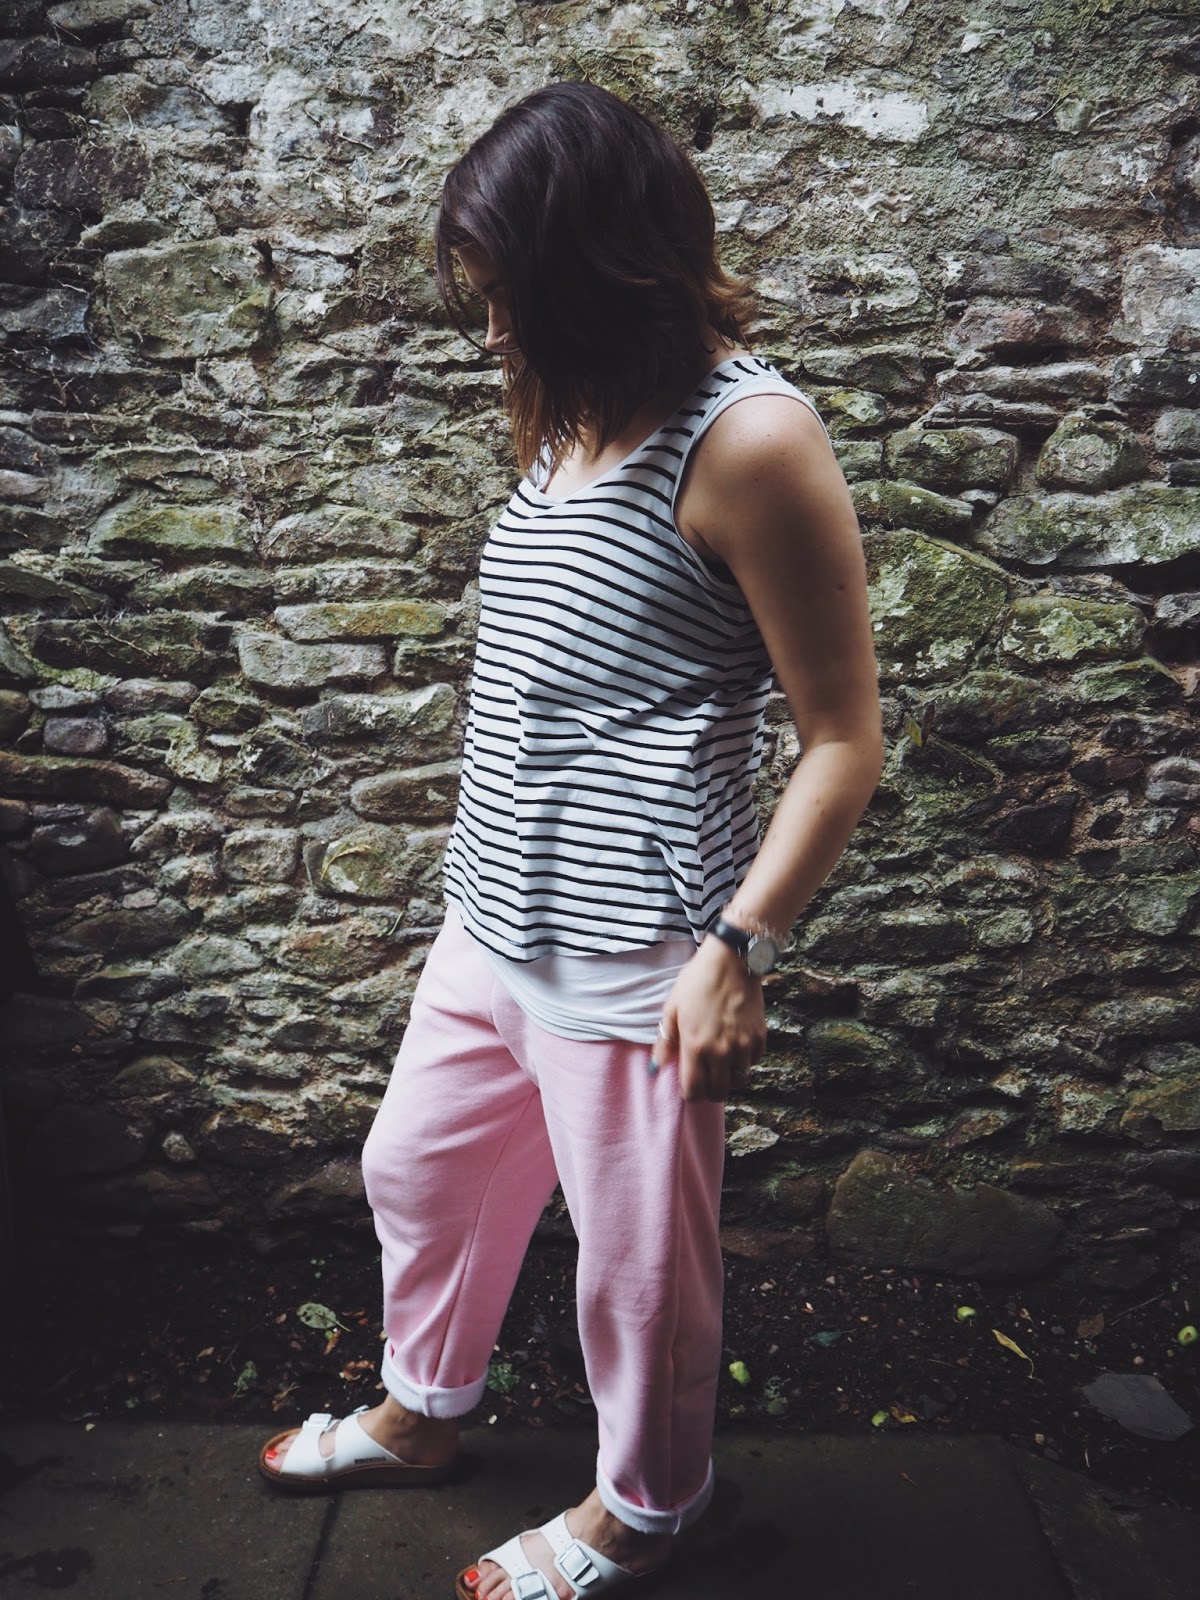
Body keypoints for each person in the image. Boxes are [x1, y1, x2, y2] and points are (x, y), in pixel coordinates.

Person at [258, 80, 884, 1600]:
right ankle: (424, 1414)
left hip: (637, 950)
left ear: (605, 269)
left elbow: (844, 740)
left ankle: (648, 1509)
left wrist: (737, 951)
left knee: (639, 1268)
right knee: (416, 1169)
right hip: (493, 915)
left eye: (510, 296)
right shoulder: (578, 409)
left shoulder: (751, 441)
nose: (491, 332)